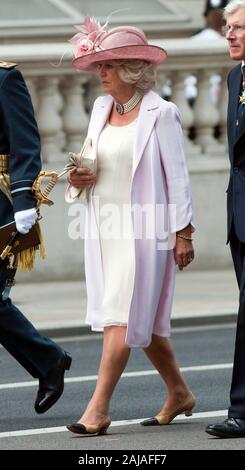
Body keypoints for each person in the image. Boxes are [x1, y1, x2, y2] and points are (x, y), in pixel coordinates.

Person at [65, 18, 196, 436]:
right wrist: (76, 180)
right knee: (139, 317)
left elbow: (178, 178)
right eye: (100, 66)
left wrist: (183, 232)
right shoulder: (101, 109)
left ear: (132, 70)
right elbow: (88, 163)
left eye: (109, 66)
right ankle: (179, 391)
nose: (100, 74)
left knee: (120, 317)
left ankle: (97, 409)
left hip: (146, 231)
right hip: (106, 229)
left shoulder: (163, 114)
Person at [0, 61, 72, 414]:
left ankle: (47, 361)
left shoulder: (4, 77)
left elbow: (25, 143)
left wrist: (24, 199)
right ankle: (48, 360)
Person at [206, 0, 245, 438]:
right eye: (226, 27)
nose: (229, 35)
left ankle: (242, 409)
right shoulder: (236, 77)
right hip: (239, 215)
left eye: (237, 28)